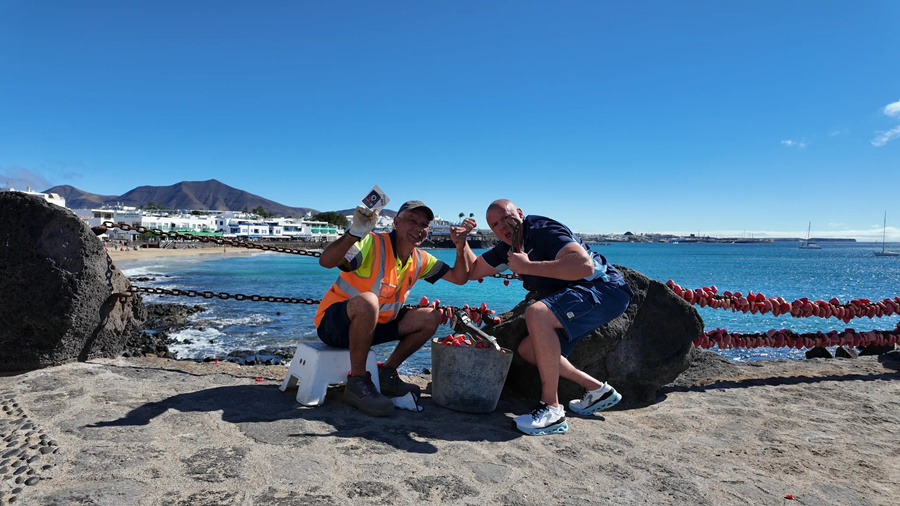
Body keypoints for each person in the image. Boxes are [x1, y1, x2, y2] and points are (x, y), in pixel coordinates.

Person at [465, 199, 632, 435]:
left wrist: (528, 266)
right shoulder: (508, 248)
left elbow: (583, 266)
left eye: (506, 218)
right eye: (495, 224)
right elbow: (472, 271)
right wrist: (461, 242)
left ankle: (552, 410)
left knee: (537, 313)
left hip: (604, 290)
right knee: (529, 350)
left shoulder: (542, 229)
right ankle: (597, 390)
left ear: (520, 213)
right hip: (578, 296)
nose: (502, 226)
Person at [315, 199, 476, 417]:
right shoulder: (371, 242)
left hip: (374, 327)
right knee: (369, 301)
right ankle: (357, 383)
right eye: (412, 221)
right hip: (335, 325)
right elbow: (326, 261)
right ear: (396, 222)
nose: (419, 228)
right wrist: (355, 232)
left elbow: (459, 278)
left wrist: (460, 245)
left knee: (431, 317)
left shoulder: (421, 259)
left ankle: (386, 372)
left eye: (424, 224)